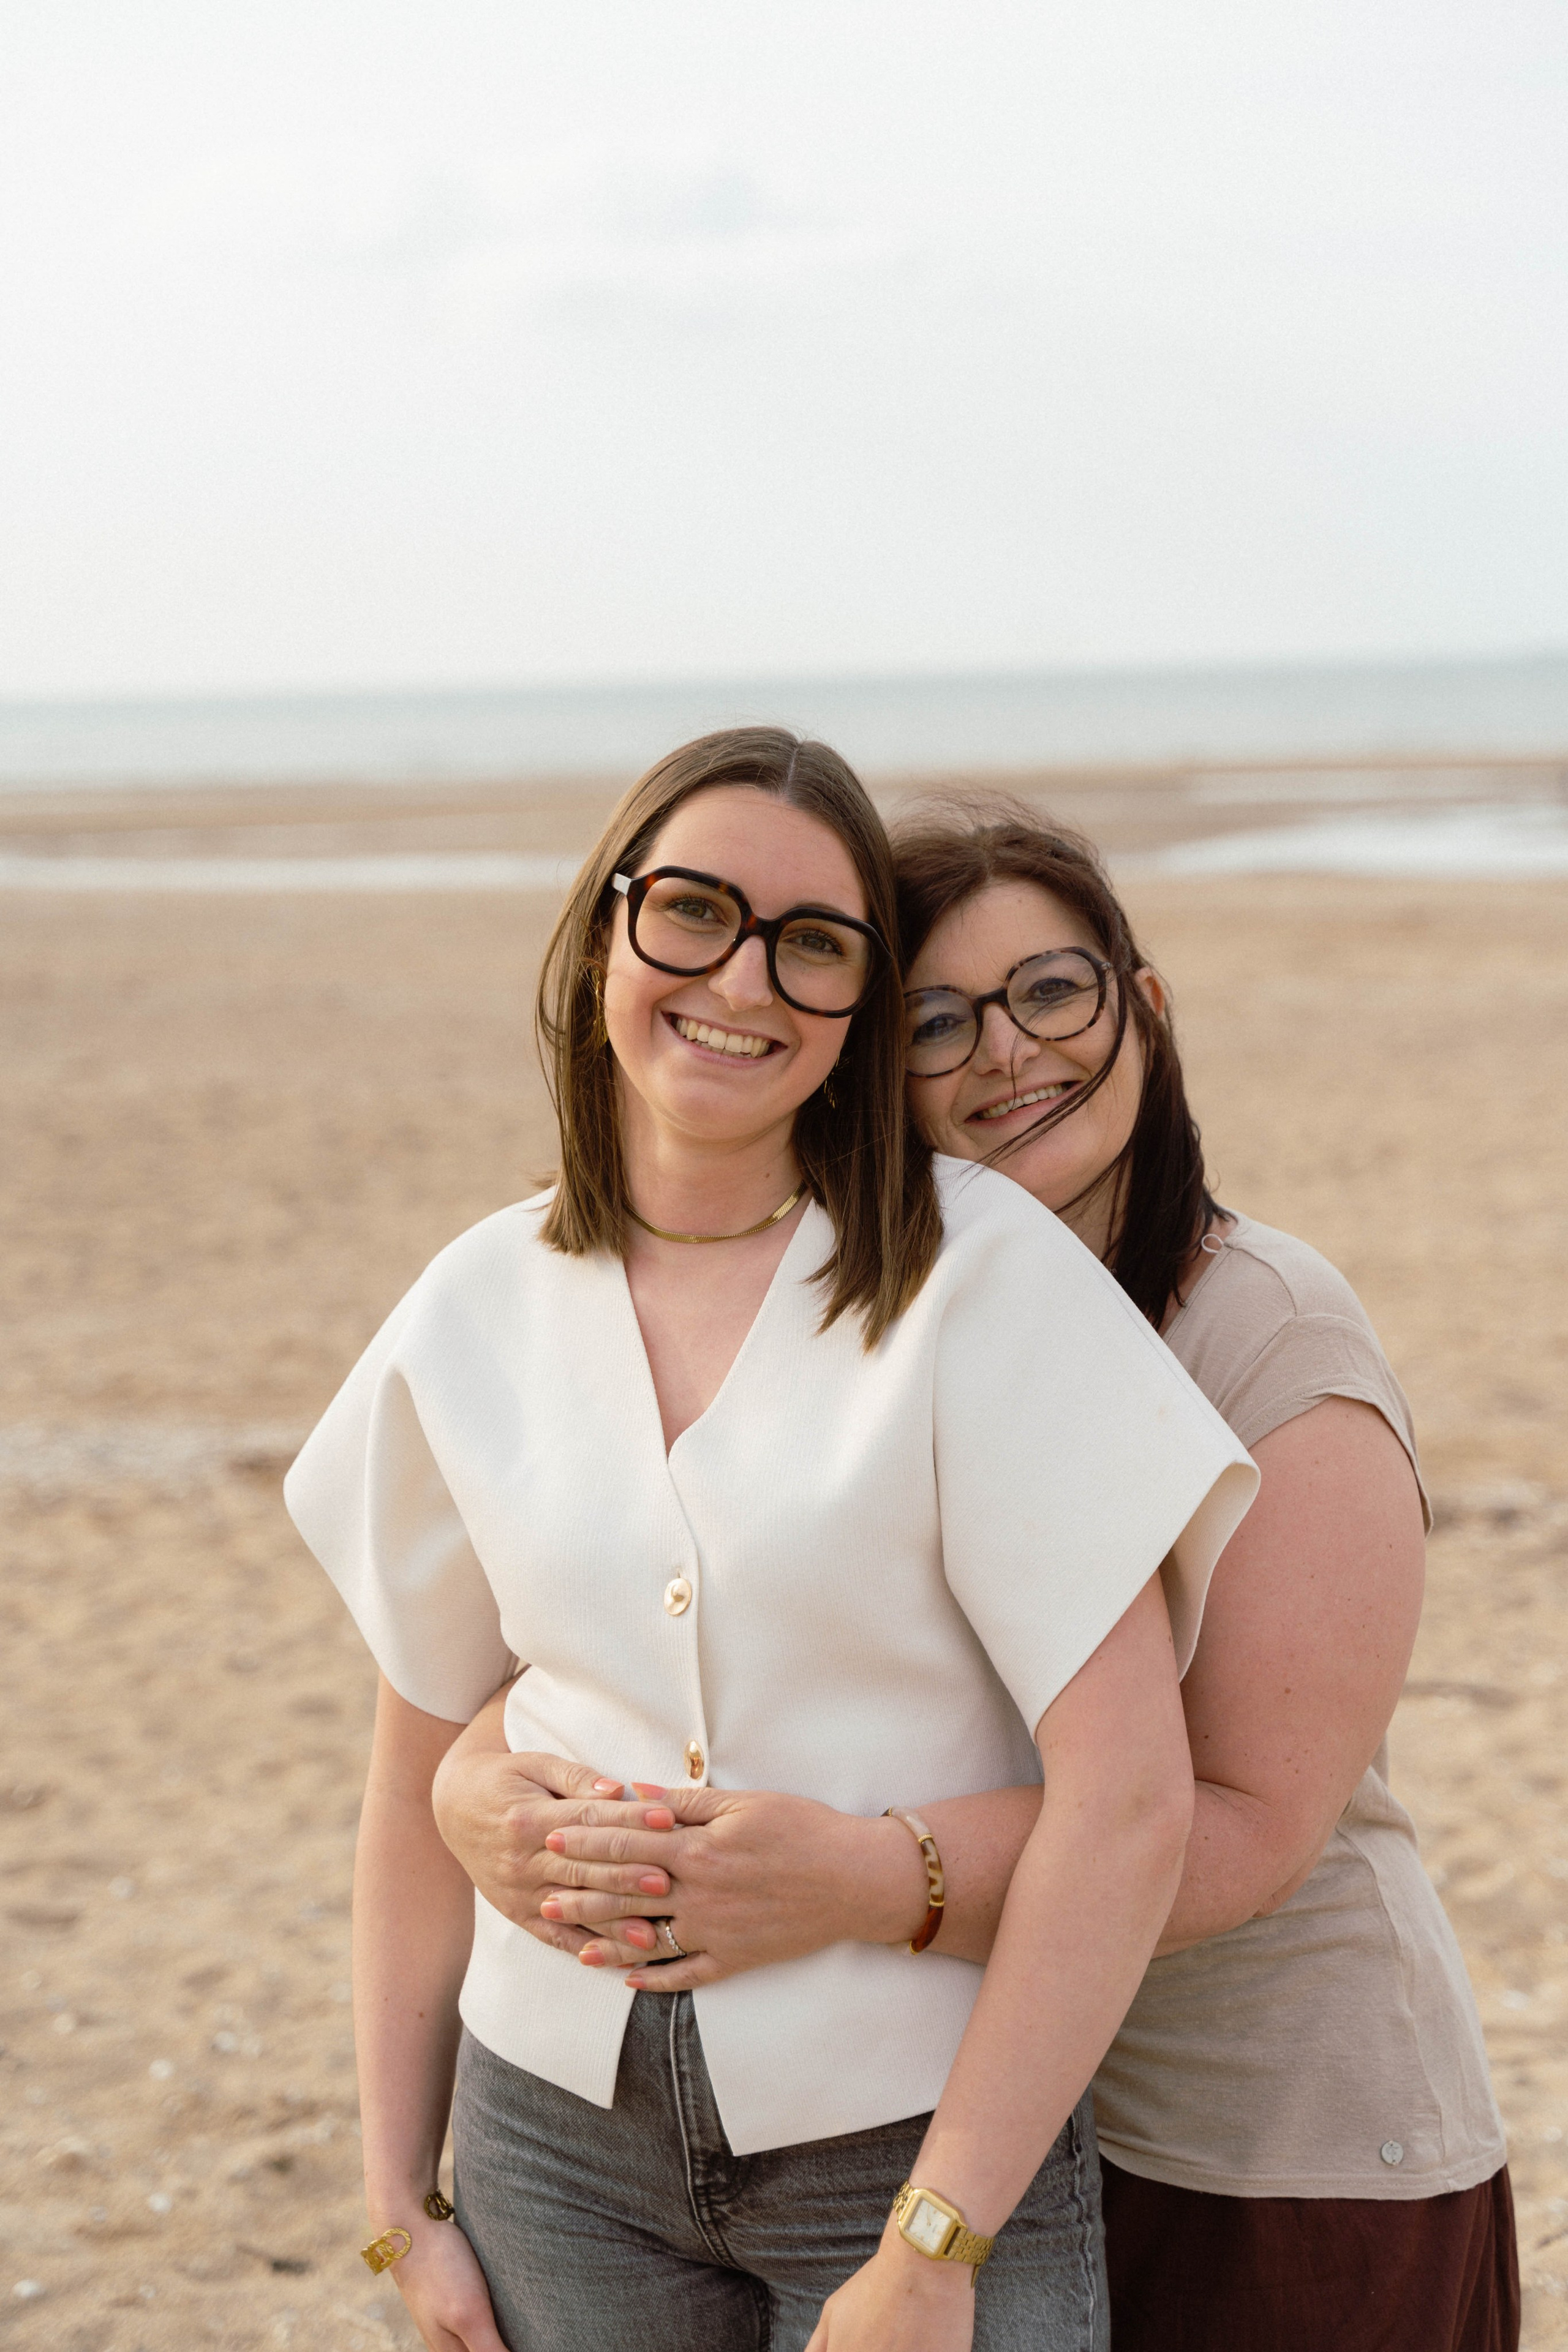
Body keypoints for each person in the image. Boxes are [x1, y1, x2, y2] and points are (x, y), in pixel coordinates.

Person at [435, 798, 1520, 2352]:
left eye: (1053, 992)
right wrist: (470, 1783)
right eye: (939, 1021)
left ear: (1141, 1006)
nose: (1007, 1053)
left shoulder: (1267, 1338)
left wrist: (862, 1880)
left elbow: (1244, 1825)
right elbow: (654, 1633)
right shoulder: (879, 1320)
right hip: (956, 2109)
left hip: (1252, 2142)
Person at [284, 739, 1255, 2352]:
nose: (743, 976)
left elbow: (1134, 1798)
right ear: (605, 938)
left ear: (860, 1006)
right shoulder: (473, 1304)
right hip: (546, 2143)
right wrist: (402, 2200)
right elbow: (415, 1774)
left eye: (811, 941)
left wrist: (938, 2243)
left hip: (911, 2145)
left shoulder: (986, 1282)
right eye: (692, 910)